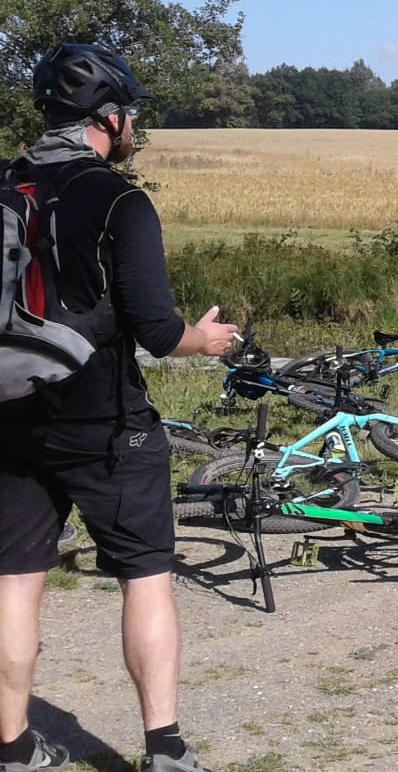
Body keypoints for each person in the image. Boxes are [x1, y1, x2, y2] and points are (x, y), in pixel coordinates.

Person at [0, 44, 237, 772]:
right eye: (129, 114)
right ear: (107, 119)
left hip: (9, 412)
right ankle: (165, 750)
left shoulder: (6, 186)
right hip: (105, 420)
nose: (132, 125)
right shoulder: (119, 200)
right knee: (145, 573)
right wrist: (203, 340)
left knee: (14, 580)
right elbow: (158, 332)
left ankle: (12, 749)